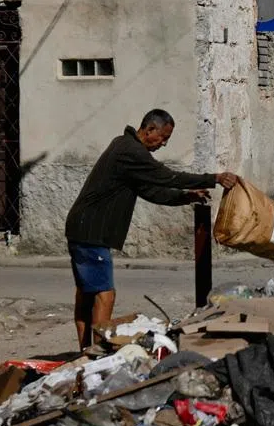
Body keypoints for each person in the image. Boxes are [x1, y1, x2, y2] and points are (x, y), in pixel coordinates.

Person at [65, 109, 238, 351]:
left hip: (83, 228)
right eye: (164, 137)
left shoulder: (125, 149)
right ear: (149, 130)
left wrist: (185, 197)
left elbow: (151, 191)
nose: (164, 143)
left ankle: (85, 352)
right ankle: (98, 354)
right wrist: (214, 178)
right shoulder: (131, 150)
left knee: (86, 296)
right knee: (104, 294)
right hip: (90, 231)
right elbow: (166, 177)